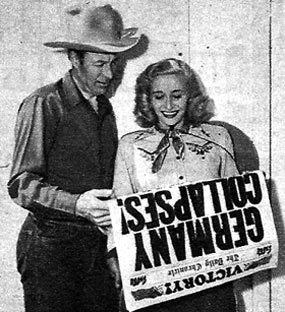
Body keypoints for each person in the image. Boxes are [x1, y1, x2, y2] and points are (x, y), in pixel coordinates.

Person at [7, 3, 140, 312]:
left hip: (93, 250)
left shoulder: (105, 109)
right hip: (49, 251)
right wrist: (78, 204)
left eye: (113, 62)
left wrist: (113, 251)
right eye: (99, 63)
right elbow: (21, 185)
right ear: (73, 58)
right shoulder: (43, 104)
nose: (109, 73)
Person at [109, 58, 240, 312]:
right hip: (154, 276)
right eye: (159, 97)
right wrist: (114, 255)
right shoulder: (130, 145)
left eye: (177, 95)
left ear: (190, 97)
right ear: (148, 100)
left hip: (209, 277)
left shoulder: (218, 138)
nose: (168, 106)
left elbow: (236, 203)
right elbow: (119, 209)